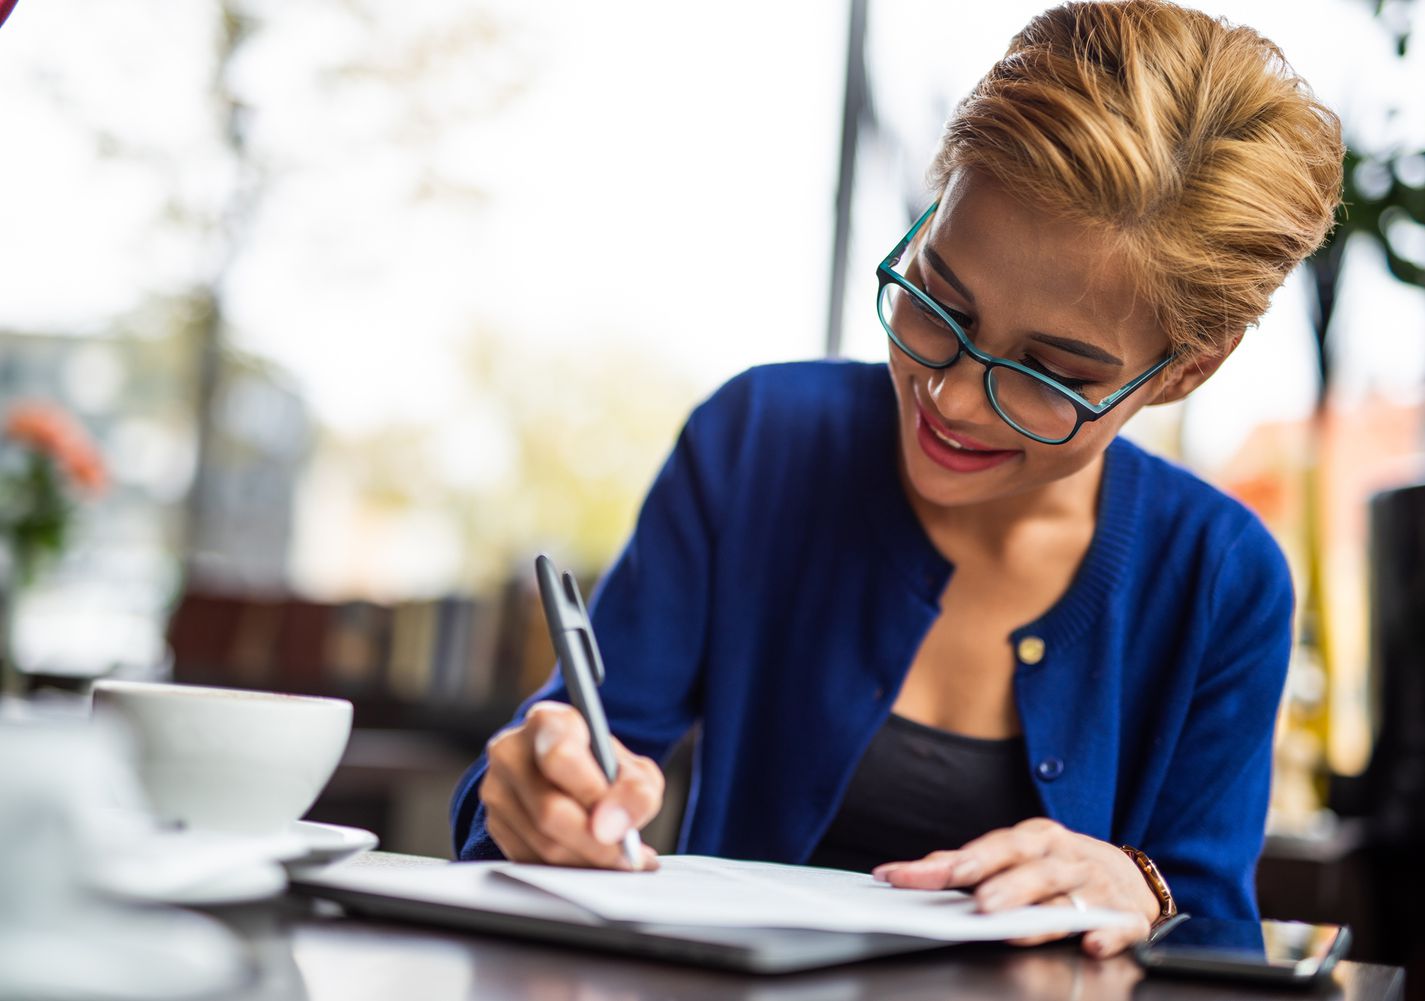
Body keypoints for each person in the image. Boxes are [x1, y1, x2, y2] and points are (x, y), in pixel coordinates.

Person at [451, 0, 1343, 958]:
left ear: (1181, 370)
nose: (952, 399)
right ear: (929, 213)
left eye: (1051, 374)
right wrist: (531, 798)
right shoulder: (758, 443)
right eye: (938, 302)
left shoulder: (1223, 578)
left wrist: (1147, 889)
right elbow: (552, 774)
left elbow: (1221, 945)